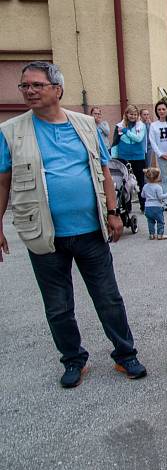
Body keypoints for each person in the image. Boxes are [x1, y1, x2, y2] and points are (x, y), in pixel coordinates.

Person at [0, 61, 146, 388]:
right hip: (44, 236)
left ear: (57, 89)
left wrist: (113, 212)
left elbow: (105, 171)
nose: (29, 91)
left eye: (37, 85)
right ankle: (73, 359)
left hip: (91, 231)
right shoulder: (11, 132)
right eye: (25, 86)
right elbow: (3, 182)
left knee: (108, 297)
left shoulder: (84, 125)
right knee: (58, 305)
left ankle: (125, 354)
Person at [114, 104, 148, 213]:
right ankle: (127, 207)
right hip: (124, 157)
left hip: (138, 157)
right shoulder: (119, 126)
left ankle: (143, 206)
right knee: (125, 182)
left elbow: (138, 139)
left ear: (137, 115)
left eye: (135, 114)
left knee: (140, 182)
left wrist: (126, 132)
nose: (133, 116)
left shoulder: (141, 126)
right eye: (130, 114)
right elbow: (115, 142)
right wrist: (114, 157)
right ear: (126, 114)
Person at [142, 168, 167, 240]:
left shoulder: (145, 186)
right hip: (157, 206)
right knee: (160, 221)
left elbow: (142, 195)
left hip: (147, 207)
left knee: (150, 221)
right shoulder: (158, 187)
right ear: (157, 177)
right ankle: (160, 235)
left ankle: (151, 235)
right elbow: (160, 197)